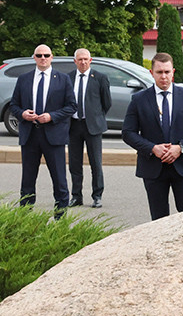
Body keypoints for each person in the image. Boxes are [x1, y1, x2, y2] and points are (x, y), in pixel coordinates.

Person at [122, 52, 183, 220]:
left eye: (167, 72)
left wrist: (181, 147)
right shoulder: (139, 99)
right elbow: (128, 133)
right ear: (151, 73)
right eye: (159, 72)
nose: (163, 76)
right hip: (153, 168)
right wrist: (152, 148)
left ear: (173, 72)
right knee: (158, 219)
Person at [10, 44, 76, 218]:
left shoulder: (62, 79)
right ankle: (25, 219)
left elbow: (71, 106)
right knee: (27, 181)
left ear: (52, 57)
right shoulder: (24, 79)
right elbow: (14, 105)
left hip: (53, 136)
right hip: (30, 135)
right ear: (34, 58)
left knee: (59, 181)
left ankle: (60, 218)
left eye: (46, 55)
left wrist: (52, 116)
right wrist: (23, 114)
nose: (43, 58)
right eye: (39, 55)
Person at [67, 48, 112, 209]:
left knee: (96, 163)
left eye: (86, 59)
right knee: (74, 163)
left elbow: (107, 103)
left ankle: (97, 196)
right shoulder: (69, 78)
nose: (83, 62)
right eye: (80, 59)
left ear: (90, 60)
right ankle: (76, 196)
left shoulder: (100, 78)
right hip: (73, 126)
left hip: (92, 126)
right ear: (75, 61)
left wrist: (95, 116)